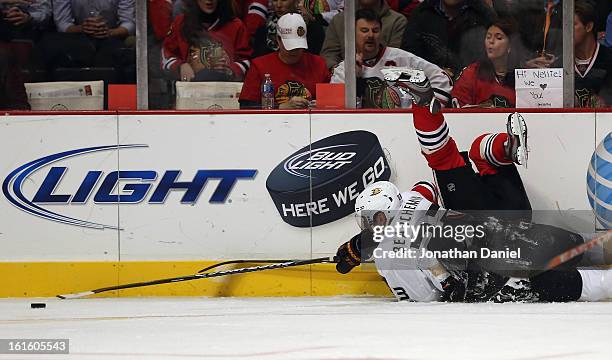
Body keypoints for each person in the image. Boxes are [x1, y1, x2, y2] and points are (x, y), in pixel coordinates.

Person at [335, 71, 612, 303]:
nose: (373, 225)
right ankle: (500, 146)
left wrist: (364, 245)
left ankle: (429, 106)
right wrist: (364, 245)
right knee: (578, 246)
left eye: (376, 219)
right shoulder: (411, 201)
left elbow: (427, 296)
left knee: (564, 278)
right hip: (514, 228)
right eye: (370, 221)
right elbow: (424, 192)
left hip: (498, 258)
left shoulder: (393, 250)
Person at [330, 9, 452, 108]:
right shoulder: (343, 70)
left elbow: (441, 78)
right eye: (364, 30)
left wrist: (425, 110)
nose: (371, 35)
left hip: (402, 127)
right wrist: (354, 79)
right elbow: (337, 111)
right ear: (353, 33)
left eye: (375, 30)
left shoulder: (401, 59)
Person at [239, 13, 330, 109]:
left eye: (298, 47)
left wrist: (320, 106)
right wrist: (280, 108)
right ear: (278, 39)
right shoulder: (260, 66)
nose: (294, 51)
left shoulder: (319, 64)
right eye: (290, 47)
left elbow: (333, 103)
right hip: (272, 122)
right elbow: (246, 106)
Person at [401, 0, 495, 80]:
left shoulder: (484, 17)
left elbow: (491, 62)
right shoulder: (421, 13)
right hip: (427, 83)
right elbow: (408, 57)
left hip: (470, 86)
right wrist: (434, 71)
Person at [162, 0, 252, 82]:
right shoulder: (180, 23)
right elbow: (166, 56)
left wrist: (231, 70)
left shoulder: (236, 26)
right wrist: (180, 67)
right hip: (189, 93)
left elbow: (247, 61)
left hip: (226, 93)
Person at [35, 0, 135, 71]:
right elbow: (62, 24)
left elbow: (129, 23)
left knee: (115, 54)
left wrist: (108, 32)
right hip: (76, 35)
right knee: (49, 45)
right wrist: (83, 28)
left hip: (113, 35)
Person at [452, 17, 520, 108]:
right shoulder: (471, 73)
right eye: (488, 37)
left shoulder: (522, 76)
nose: (491, 41)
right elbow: (458, 110)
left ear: (510, 46)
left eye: (498, 38)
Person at [320, 0, 407, 70]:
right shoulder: (339, 20)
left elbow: (397, 58)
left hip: (384, 80)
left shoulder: (397, 21)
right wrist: (342, 72)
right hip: (344, 81)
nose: (370, 35)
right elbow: (328, 56)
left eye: (375, 30)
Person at [252, 0, 326, 57]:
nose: (278, 5)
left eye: (284, 0)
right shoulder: (264, 29)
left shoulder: (312, 29)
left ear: (296, 2)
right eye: (275, 0)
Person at [573, 0, 612, 108]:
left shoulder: (609, 59)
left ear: (588, 27)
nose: (565, 30)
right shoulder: (559, 64)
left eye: (572, 25)